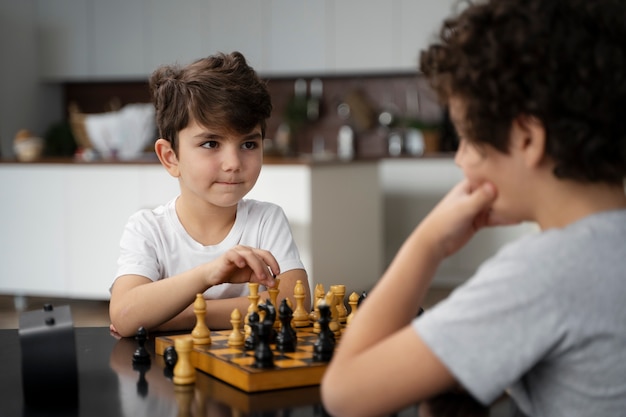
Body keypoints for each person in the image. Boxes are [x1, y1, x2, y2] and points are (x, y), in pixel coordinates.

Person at [321, 1, 626, 416]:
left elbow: (344, 394)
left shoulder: (544, 273)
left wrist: (427, 243)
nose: (460, 160)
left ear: (525, 138)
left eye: (467, 138)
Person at [109, 52, 310, 338]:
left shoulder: (267, 219)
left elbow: (294, 301)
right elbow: (126, 315)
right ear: (170, 157)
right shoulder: (148, 229)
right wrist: (209, 274)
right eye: (211, 143)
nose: (234, 163)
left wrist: (178, 316)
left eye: (249, 144)